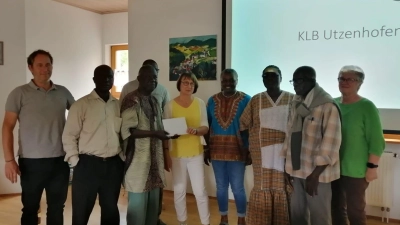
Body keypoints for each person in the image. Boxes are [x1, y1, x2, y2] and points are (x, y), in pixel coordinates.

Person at [2, 49, 75, 225]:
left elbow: (79, 118)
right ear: (30, 68)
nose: (45, 69)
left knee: (57, 207)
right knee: (30, 207)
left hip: (60, 160)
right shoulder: (19, 93)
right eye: (40, 65)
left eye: (48, 64)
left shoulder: (63, 92)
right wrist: (9, 160)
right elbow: (7, 126)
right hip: (31, 162)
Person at [62, 65, 124, 225]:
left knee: (110, 211)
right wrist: (76, 162)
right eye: (102, 77)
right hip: (87, 166)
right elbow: (69, 136)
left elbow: (121, 135)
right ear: (94, 80)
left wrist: (121, 159)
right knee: (81, 212)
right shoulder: (81, 105)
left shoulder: (117, 106)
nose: (106, 80)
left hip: (112, 166)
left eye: (109, 77)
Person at [281, 66, 342, 225]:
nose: (295, 85)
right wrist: (288, 167)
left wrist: (315, 175)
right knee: (297, 215)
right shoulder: (296, 102)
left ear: (312, 80)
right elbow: (289, 134)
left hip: (317, 175)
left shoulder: (327, 105)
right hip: (297, 169)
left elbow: (331, 142)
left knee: (319, 217)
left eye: (299, 80)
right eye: (293, 81)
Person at [120, 65, 176, 225]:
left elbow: (159, 127)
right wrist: (154, 134)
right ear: (139, 79)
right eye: (148, 78)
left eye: (155, 78)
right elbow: (128, 131)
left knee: (152, 211)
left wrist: (171, 133)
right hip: (138, 165)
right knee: (137, 213)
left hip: (154, 163)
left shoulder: (154, 100)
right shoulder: (131, 100)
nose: (152, 81)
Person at [240, 65, 294, 225]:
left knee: (282, 186)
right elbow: (243, 124)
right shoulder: (256, 100)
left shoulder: (293, 99)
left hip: (284, 154)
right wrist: (246, 149)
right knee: (262, 186)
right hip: (261, 156)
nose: (269, 79)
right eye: (266, 76)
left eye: (273, 76)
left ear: (281, 78)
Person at [331, 65, 385, 225]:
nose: (344, 82)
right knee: (336, 208)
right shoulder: (332, 103)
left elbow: (377, 141)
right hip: (333, 168)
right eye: (341, 78)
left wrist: (372, 168)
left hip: (356, 171)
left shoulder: (367, 107)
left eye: (350, 79)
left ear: (359, 83)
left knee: (355, 211)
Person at [204, 69, 250, 225]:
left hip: (237, 152)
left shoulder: (246, 100)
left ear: (237, 80)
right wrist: (206, 149)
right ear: (220, 81)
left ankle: (241, 219)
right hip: (216, 152)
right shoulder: (212, 101)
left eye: (231, 80)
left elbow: (252, 127)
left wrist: (249, 150)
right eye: (225, 80)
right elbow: (207, 125)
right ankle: (223, 218)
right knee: (221, 187)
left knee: (238, 188)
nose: (228, 83)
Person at [163, 73, 210, 225]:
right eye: (185, 83)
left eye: (191, 83)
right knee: (179, 190)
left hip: (196, 153)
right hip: (177, 154)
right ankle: (182, 221)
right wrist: (167, 151)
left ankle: (206, 222)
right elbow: (166, 131)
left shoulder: (200, 103)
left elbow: (205, 127)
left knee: (200, 191)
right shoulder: (169, 105)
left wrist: (196, 131)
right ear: (179, 85)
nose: (188, 86)